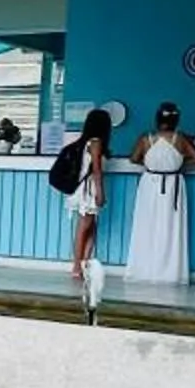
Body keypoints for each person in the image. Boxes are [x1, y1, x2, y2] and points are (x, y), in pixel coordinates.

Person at [126, 103, 195, 286]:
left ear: (157, 119)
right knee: (170, 228)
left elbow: (133, 158)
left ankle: (144, 269)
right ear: (176, 120)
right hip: (173, 183)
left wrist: (152, 162)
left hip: (150, 185)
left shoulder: (146, 139)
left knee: (147, 226)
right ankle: (169, 272)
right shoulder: (180, 139)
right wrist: (178, 165)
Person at [67, 107, 112, 282]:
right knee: (85, 226)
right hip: (88, 190)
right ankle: (77, 266)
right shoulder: (96, 142)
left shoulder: (86, 142)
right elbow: (97, 171)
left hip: (84, 189)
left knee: (89, 225)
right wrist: (100, 193)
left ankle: (84, 263)